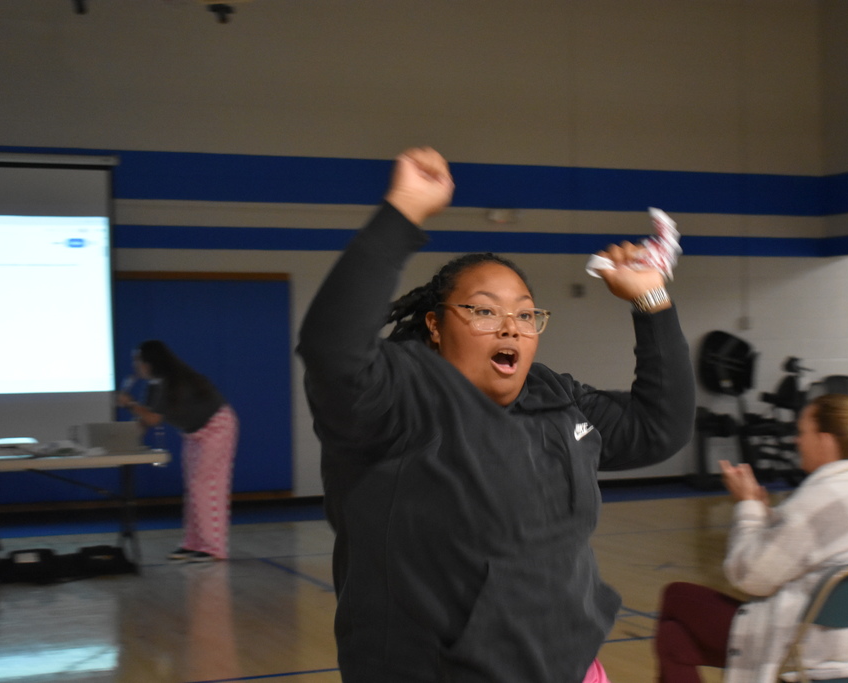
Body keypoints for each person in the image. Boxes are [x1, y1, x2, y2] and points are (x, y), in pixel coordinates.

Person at [296, 147, 696, 683]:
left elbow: (658, 429)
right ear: (436, 326)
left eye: (526, 314)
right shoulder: (395, 400)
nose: (510, 326)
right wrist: (402, 212)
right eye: (484, 310)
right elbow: (332, 349)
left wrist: (651, 301)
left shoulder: (554, 396)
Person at [655, 394, 848, 683]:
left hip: (803, 646)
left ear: (825, 440)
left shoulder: (817, 499)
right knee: (674, 639)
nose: (796, 441)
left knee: (676, 597)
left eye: (802, 433)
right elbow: (806, 545)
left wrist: (747, 506)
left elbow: (748, 576)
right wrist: (765, 513)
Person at [118, 340, 239, 562]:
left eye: (138, 360)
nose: (135, 365)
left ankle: (214, 548)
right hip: (194, 434)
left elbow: (153, 419)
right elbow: (145, 421)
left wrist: (128, 403)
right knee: (193, 488)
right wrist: (125, 443)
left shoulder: (169, 382)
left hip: (217, 427)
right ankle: (193, 543)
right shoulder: (154, 386)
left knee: (206, 486)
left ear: (150, 362)